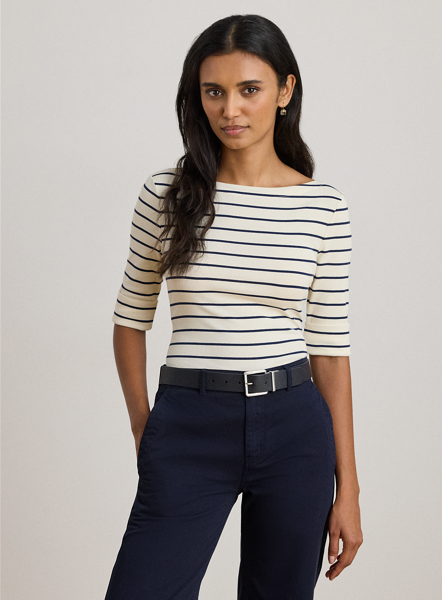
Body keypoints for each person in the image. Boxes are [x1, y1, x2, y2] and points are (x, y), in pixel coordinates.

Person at [104, 14, 362, 600]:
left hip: (295, 426)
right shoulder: (167, 194)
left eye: (249, 89)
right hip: (188, 422)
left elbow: (330, 354)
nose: (230, 110)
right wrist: (145, 425)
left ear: (285, 91)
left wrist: (348, 489)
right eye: (214, 92)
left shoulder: (323, 208)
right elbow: (129, 321)